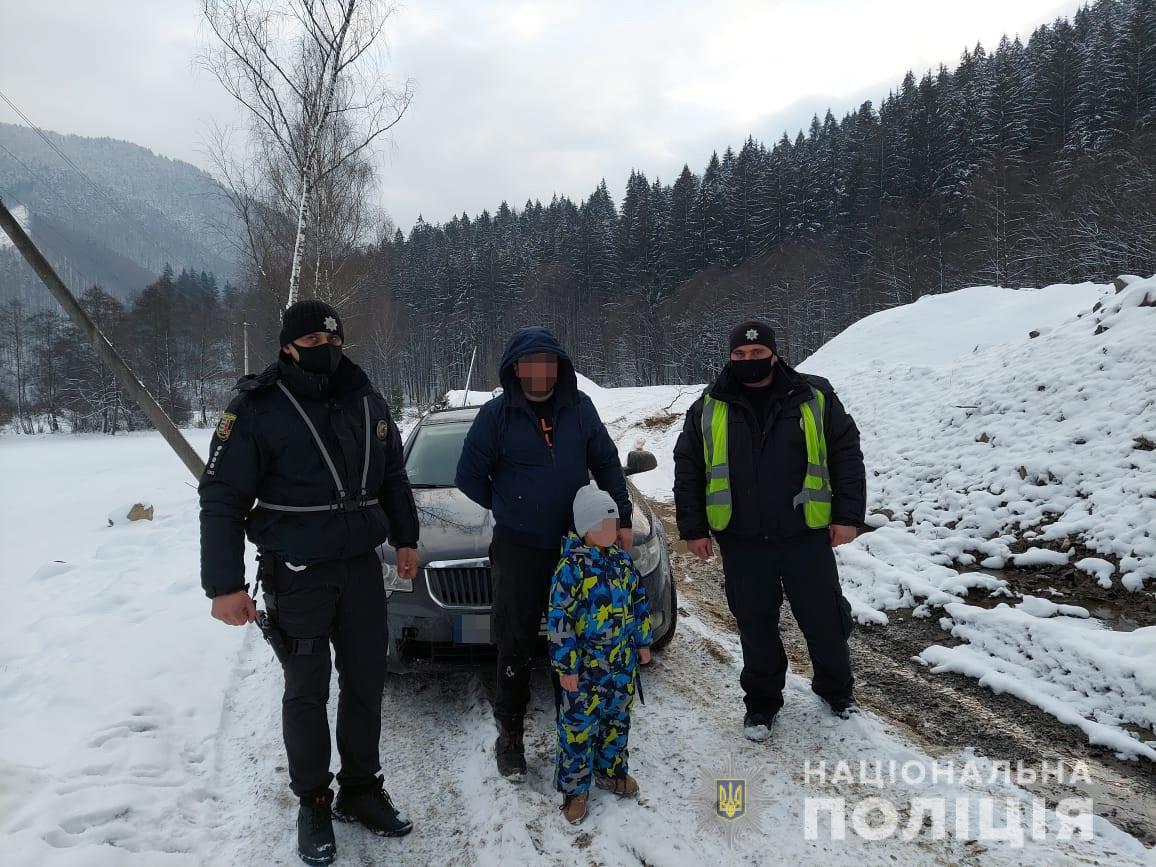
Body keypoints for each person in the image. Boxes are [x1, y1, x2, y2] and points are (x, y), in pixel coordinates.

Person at [199, 299, 420, 866]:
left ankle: (361, 789)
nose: (326, 351)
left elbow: (393, 474)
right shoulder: (257, 408)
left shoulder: (367, 398)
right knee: (306, 690)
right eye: (313, 344)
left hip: (361, 570)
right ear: (287, 348)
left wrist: (406, 538)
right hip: (296, 574)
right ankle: (314, 798)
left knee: (367, 681)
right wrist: (224, 584)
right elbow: (221, 498)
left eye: (333, 341)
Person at [673, 320, 865, 742]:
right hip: (741, 539)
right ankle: (761, 704)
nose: (748, 361)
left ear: (774, 354)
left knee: (825, 620)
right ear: (730, 357)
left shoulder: (814, 396)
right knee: (755, 625)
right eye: (739, 355)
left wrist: (848, 515)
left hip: (805, 534)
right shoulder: (710, 404)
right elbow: (688, 466)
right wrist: (693, 526)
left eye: (757, 354)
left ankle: (837, 691)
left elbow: (845, 454)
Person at [455, 326, 634, 779]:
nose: (539, 370)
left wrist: (623, 518)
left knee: (575, 643)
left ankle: (573, 730)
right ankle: (510, 734)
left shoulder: (580, 408)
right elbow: (468, 475)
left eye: (548, 361)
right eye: (530, 362)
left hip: (575, 550)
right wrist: (508, 503)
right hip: (519, 548)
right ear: (516, 368)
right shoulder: (496, 416)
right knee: (514, 642)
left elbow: (608, 463)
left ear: (559, 366)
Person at [548, 483, 651, 825]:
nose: (610, 530)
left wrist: (643, 642)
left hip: (621, 666)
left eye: (613, 523)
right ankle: (575, 789)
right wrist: (566, 667)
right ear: (585, 528)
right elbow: (559, 619)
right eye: (602, 525)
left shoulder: (623, 563)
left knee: (617, 722)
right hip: (586, 669)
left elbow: (638, 603)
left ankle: (612, 770)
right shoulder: (571, 569)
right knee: (578, 728)